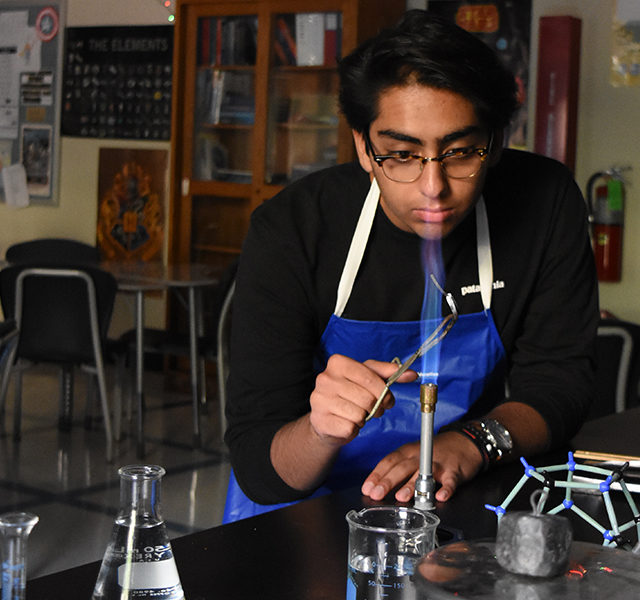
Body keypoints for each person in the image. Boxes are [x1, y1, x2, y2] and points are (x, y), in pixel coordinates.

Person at [223, 9, 599, 521]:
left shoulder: (545, 202)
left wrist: (470, 443)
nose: (433, 188)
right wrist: (319, 430)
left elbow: (560, 383)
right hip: (299, 512)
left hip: (450, 497)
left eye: (461, 151)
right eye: (400, 154)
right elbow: (259, 465)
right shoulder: (293, 229)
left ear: (494, 143)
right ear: (362, 144)